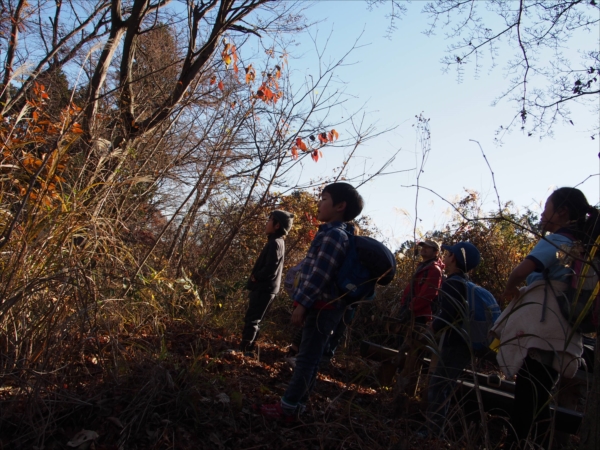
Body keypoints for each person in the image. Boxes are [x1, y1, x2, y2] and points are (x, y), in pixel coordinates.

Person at [491, 187, 598, 448]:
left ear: (561, 212)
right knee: (539, 399)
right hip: (563, 333)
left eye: (546, 207)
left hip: (541, 329)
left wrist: (509, 288)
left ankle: (514, 445)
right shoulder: (582, 247)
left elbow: (522, 271)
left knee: (527, 399)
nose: (542, 213)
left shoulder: (559, 241)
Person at [259, 182, 364, 421]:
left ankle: (287, 408)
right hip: (323, 307)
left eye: (324, 198)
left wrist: (302, 304)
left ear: (340, 206)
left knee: (306, 359)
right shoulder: (333, 233)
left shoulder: (334, 236)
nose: (319, 203)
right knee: (311, 358)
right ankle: (297, 406)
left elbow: (320, 274)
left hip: (320, 308)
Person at [424, 241, 481, 437]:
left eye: (448, 253)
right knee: (443, 387)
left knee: (438, 387)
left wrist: (431, 327)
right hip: (463, 342)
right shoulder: (464, 282)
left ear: (454, 258)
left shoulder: (453, 283)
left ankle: (432, 434)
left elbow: (449, 313)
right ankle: (433, 432)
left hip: (454, 343)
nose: (445, 256)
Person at [240, 210, 294, 356]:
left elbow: (270, 267)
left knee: (252, 319)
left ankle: (244, 351)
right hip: (268, 288)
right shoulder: (277, 241)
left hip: (264, 288)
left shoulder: (275, 243)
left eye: (270, 220)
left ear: (277, 225)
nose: (267, 223)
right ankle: (247, 350)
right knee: (255, 319)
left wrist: (256, 277)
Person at [395, 240, 444, 391]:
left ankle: (407, 390)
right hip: (412, 312)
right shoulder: (423, 267)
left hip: (421, 316)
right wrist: (404, 305)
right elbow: (411, 289)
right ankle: (400, 386)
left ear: (436, 252)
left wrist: (411, 308)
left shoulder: (434, 270)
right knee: (407, 347)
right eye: (423, 247)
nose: (424, 250)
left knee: (415, 353)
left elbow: (428, 294)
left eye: (428, 248)